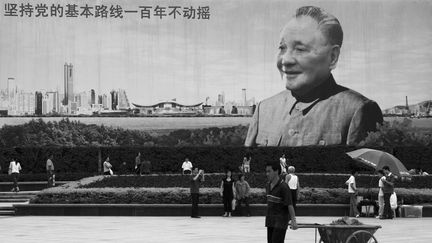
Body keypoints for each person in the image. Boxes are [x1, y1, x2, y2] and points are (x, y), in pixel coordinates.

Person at [244, 6, 383, 147]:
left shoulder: (358, 110)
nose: (285, 60)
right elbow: (246, 165)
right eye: (282, 48)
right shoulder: (264, 109)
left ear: (332, 57)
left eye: (300, 49)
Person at [265, 161, 298, 243]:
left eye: (269, 171)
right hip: (270, 221)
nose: (267, 174)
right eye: (266, 171)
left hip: (280, 221)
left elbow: (290, 204)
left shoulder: (284, 187)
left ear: (276, 171)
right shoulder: (268, 185)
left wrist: (293, 220)